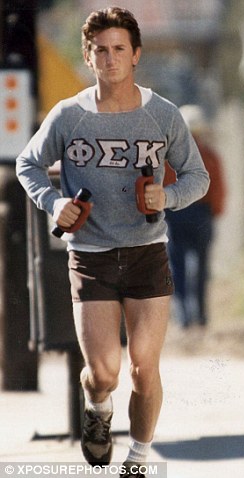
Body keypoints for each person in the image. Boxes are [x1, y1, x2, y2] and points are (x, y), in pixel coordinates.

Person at [15, 7, 209, 477]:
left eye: (119, 49)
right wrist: (53, 202)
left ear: (136, 54)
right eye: (100, 50)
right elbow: (28, 165)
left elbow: (197, 177)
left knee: (144, 366)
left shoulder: (162, 114)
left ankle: (137, 460)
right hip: (91, 256)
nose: (110, 58)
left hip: (147, 253)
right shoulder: (69, 116)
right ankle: (98, 407)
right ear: (88, 56)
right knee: (103, 371)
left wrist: (168, 196)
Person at [163, 104, 226, 329]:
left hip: (177, 213)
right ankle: (198, 316)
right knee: (198, 267)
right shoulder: (209, 156)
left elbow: (162, 188)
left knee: (179, 266)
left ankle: (185, 317)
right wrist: (214, 212)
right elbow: (218, 189)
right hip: (199, 214)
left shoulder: (168, 159)